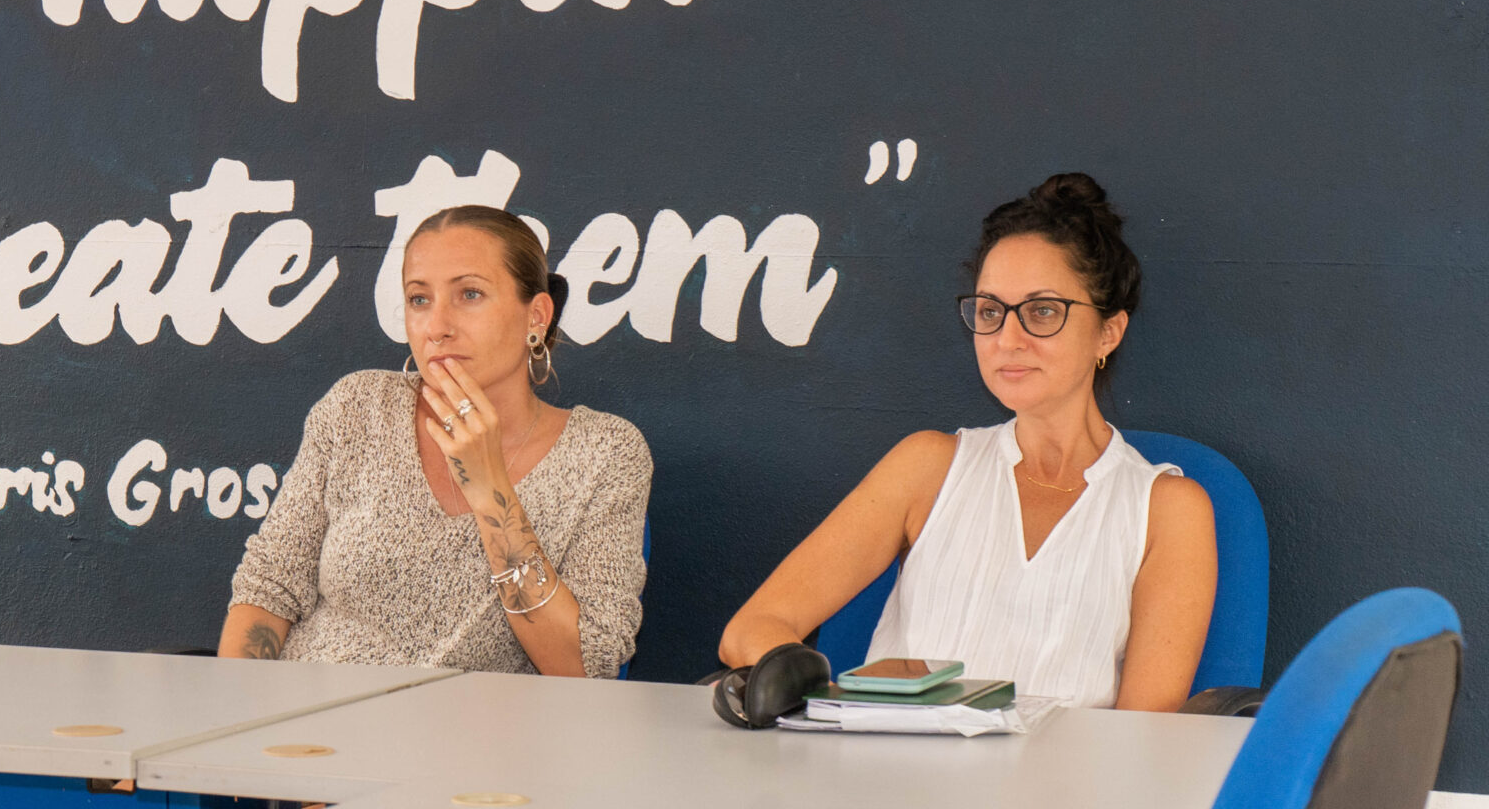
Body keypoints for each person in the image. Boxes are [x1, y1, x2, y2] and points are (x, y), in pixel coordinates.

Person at [717, 173, 1216, 709]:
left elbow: (1146, 735)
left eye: (1043, 311)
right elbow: (751, 630)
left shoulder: (1168, 511)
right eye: (990, 311)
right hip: (887, 760)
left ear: (1108, 333)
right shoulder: (926, 467)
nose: (1007, 338)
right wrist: (846, 704)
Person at [221, 205, 651, 677]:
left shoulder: (606, 452)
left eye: (470, 294)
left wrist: (490, 488)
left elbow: (585, 667)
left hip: (477, 726)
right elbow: (269, 590)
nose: (437, 326)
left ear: (537, 316)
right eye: (419, 299)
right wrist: (243, 707)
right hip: (306, 714)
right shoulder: (356, 407)